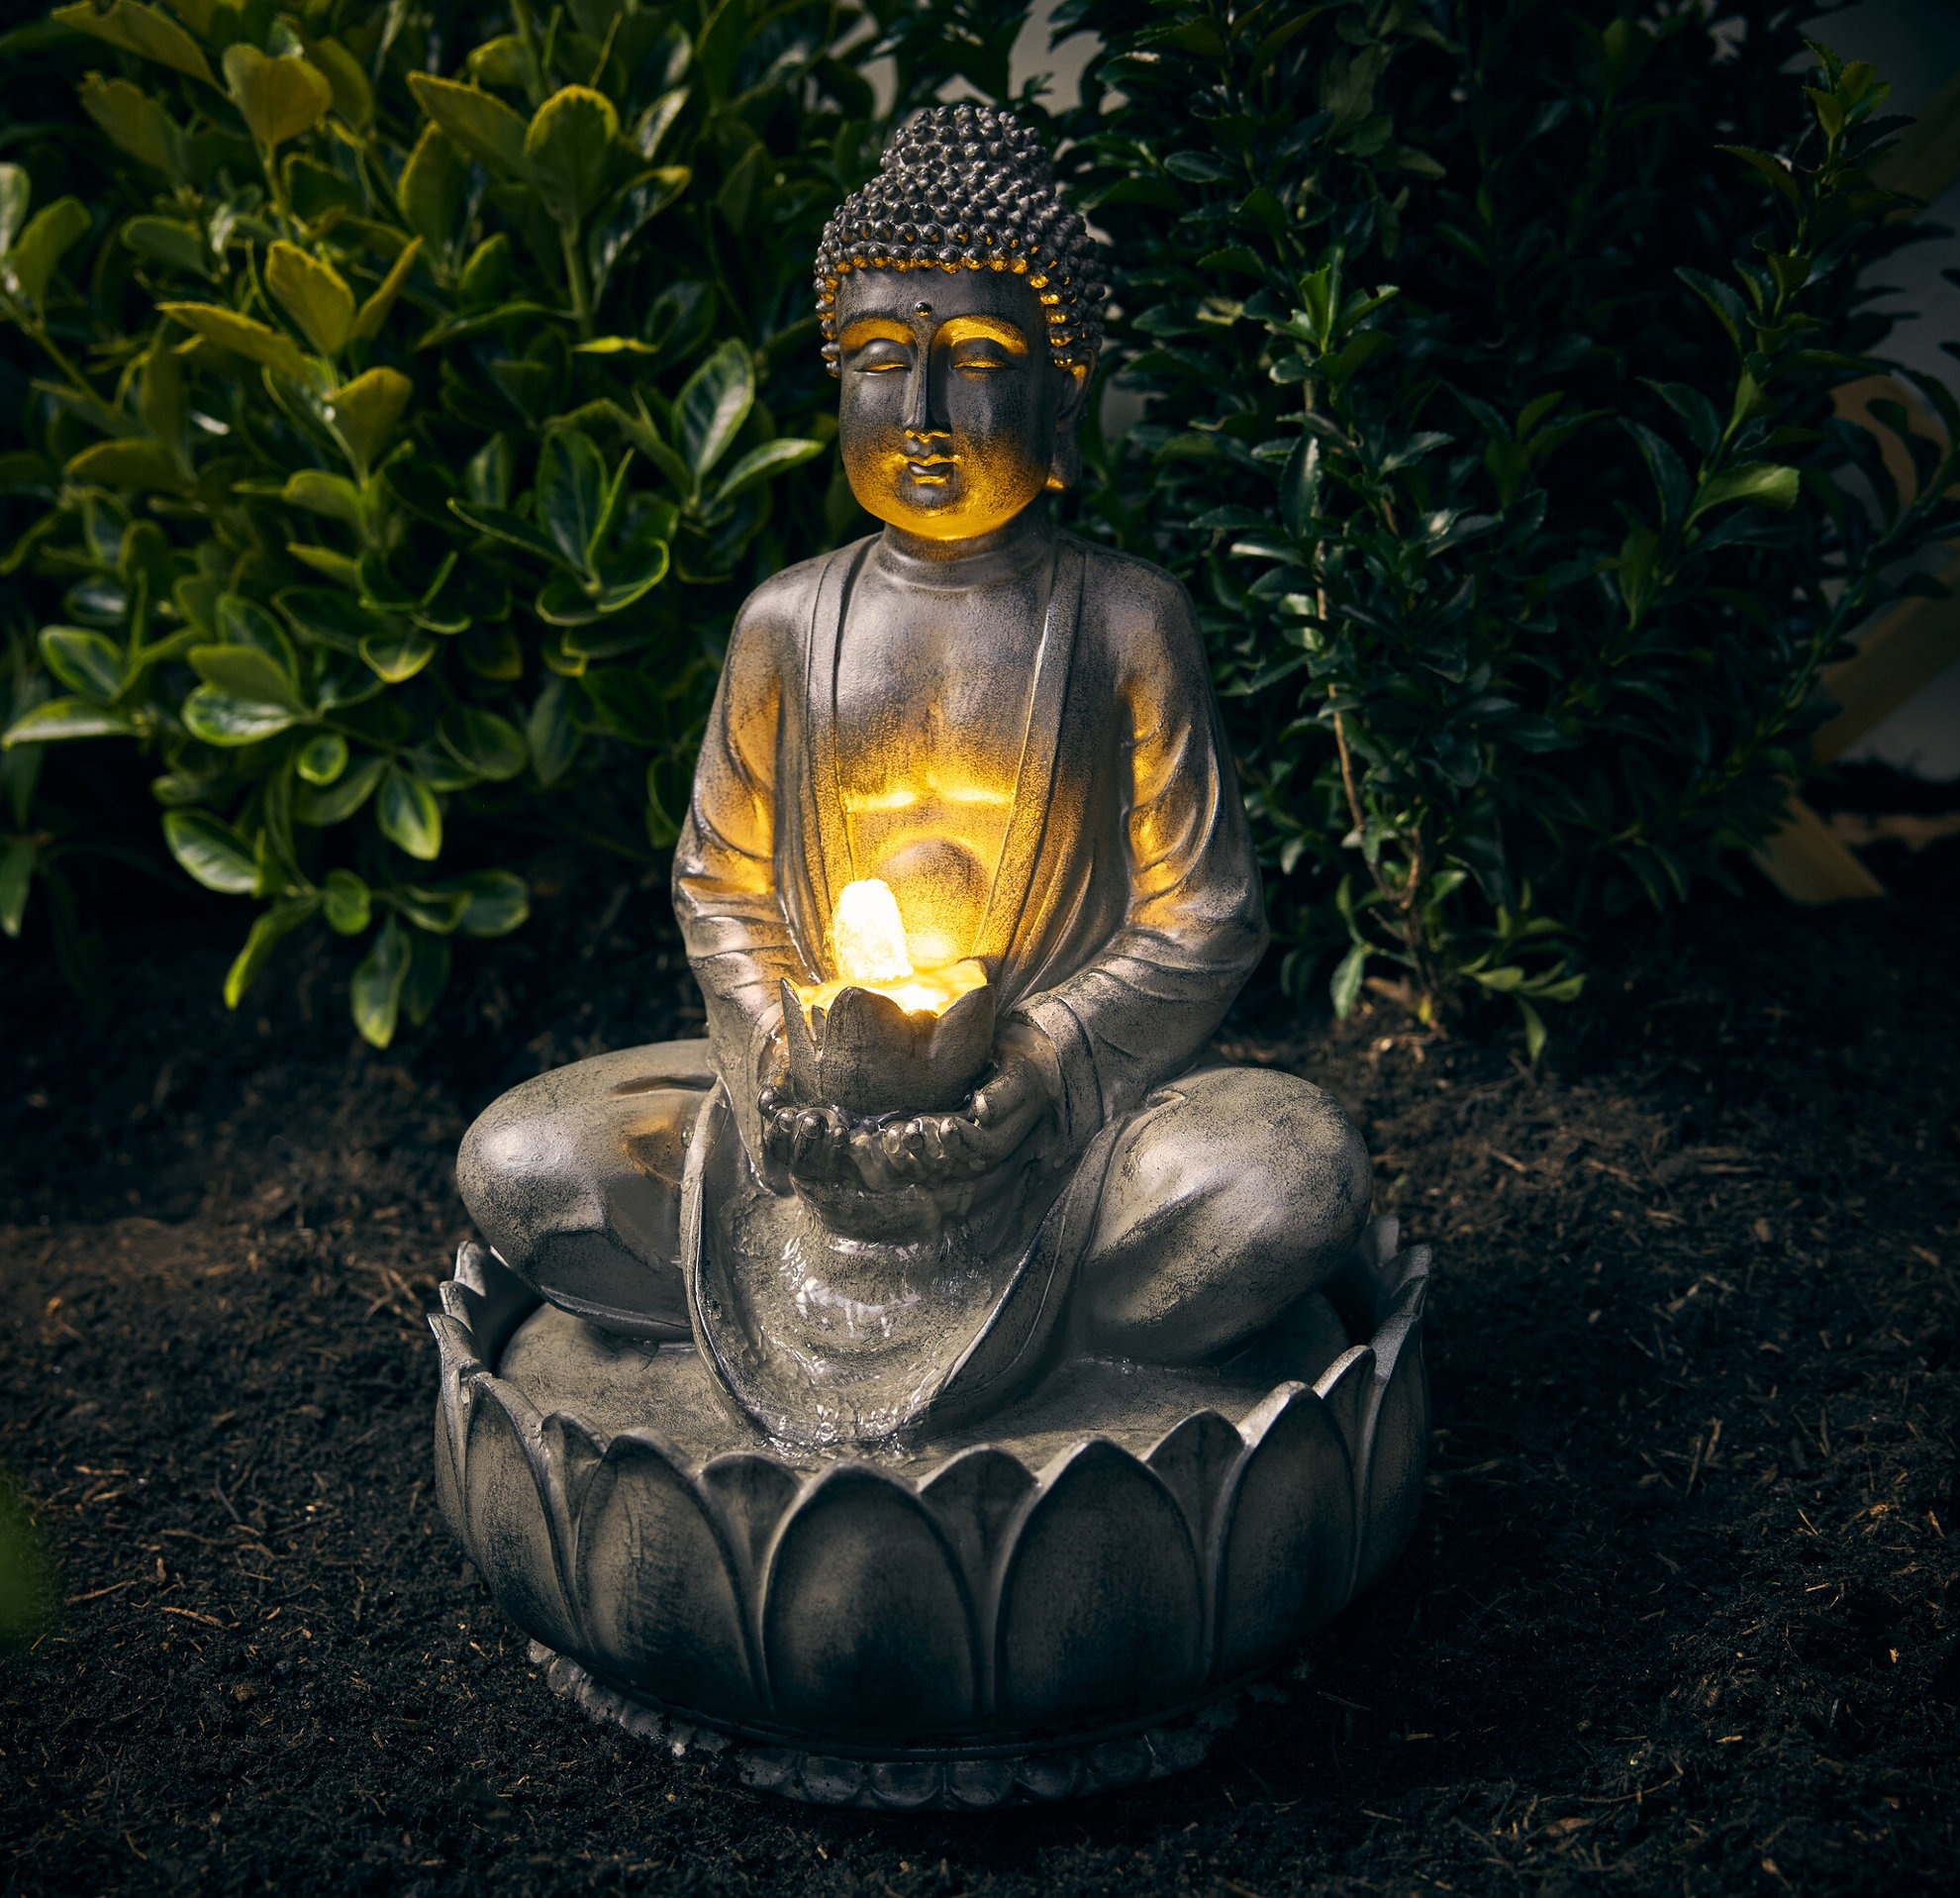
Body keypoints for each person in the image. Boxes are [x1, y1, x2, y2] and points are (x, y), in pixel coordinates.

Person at [459, 106, 1370, 1444]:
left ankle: (1058, 1308)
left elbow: (1203, 911)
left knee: (1283, 1174)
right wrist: (772, 1048)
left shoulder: (1124, 619)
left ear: (1063, 399)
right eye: (884, 359)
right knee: (528, 1161)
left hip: (1054, 1147)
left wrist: (1045, 1058)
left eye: (980, 360)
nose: (926, 411)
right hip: (803, 1142)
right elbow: (716, 880)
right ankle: (988, 1322)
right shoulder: (785, 621)